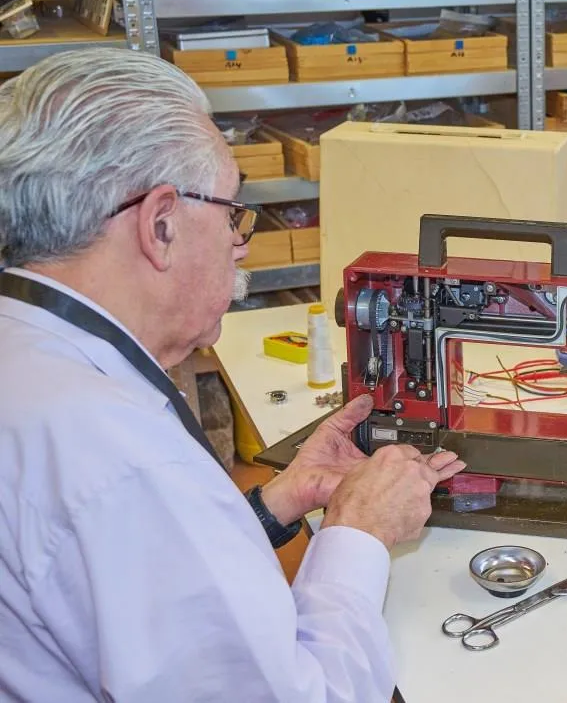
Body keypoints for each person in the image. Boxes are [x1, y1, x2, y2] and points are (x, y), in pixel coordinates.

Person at [0, 48, 466, 702]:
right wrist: (359, 530)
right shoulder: (119, 458)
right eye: (232, 214)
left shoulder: (28, 353)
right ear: (160, 225)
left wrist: (272, 505)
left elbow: (122, 578)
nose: (238, 243)